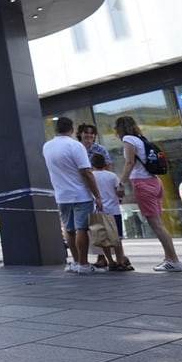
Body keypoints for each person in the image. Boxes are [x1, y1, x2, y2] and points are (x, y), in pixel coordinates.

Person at [115, 115, 182, 272]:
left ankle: (174, 260)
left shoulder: (128, 139)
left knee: (157, 225)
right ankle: (168, 258)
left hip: (142, 184)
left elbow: (130, 162)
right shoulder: (141, 139)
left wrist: (121, 184)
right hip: (155, 182)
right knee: (160, 223)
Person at [43, 117, 105, 275]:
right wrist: (97, 195)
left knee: (68, 230)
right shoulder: (75, 146)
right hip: (80, 194)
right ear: (71, 130)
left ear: (57, 129)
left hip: (62, 195)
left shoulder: (47, 147)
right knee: (81, 229)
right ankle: (84, 264)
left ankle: (76, 262)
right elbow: (86, 172)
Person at [90, 153, 133, 271]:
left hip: (98, 210)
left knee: (102, 239)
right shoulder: (112, 176)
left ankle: (110, 261)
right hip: (114, 210)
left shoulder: (91, 176)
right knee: (117, 238)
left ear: (92, 164)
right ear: (104, 164)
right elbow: (119, 192)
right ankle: (120, 260)